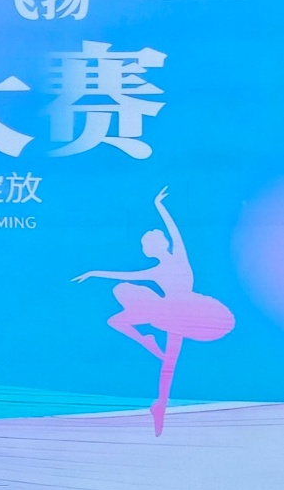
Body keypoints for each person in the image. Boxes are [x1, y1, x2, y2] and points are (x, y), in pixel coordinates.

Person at [73, 187, 234, 436]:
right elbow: (124, 273)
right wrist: (95, 272)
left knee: (120, 322)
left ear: (156, 245)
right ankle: (161, 405)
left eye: (144, 244)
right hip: (181, 314)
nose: (143, 248)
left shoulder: (173, 259)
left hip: (179, 312)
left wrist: (159, 206)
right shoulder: (166, 264)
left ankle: (148, 347)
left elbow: (172, 230)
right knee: (168, 363)